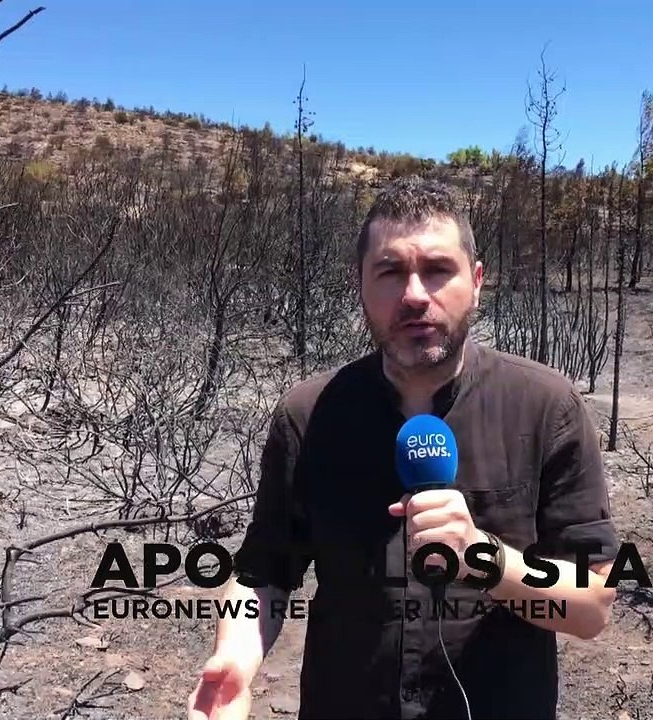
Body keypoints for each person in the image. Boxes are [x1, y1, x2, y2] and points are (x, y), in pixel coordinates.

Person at [186, 176, 619, 720]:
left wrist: (484, 558)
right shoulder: (309, 415)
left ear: (477, 282)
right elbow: (263, 575)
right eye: (391, 272)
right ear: (361, 285)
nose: (415, 294)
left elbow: (592, 608)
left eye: (438, 270)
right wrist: (236, 657)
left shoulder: (545, 406)